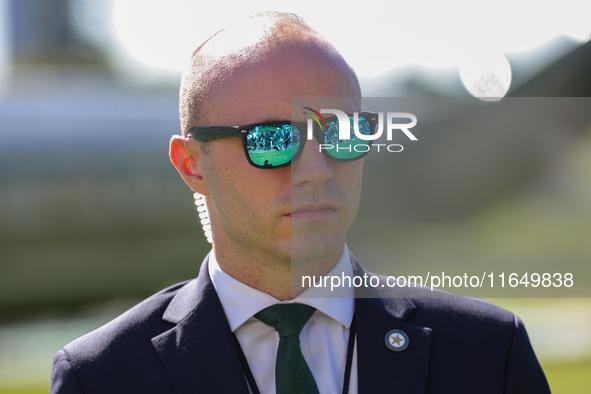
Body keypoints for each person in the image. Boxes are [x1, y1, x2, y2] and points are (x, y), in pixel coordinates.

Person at [50, 12, 550, 393]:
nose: (317, 170)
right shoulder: (101, 377)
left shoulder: (487, 351)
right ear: (191, 165)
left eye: (343, 132)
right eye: (271, 140)